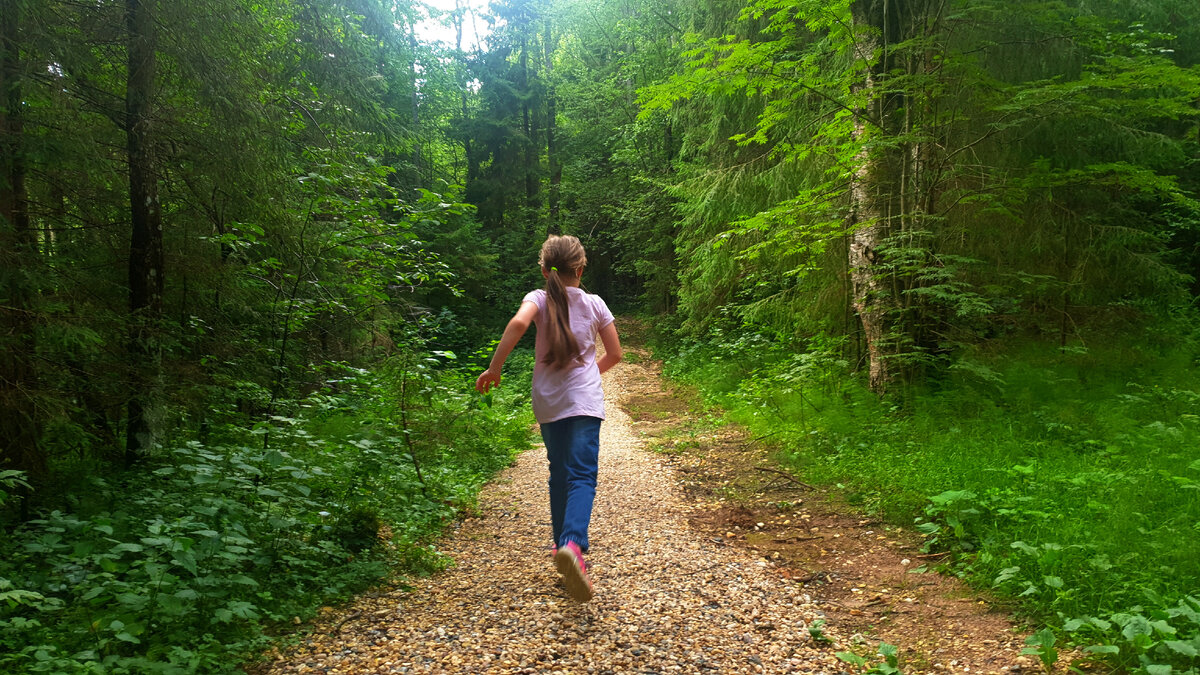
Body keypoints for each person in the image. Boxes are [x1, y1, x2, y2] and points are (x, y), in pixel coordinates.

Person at [475, 235, 622, 602]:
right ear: (581, 269)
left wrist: (495, 369)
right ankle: (572, 546)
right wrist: (588, 377)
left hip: (548, 403)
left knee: (559, 473)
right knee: (582, 475)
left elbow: (517, 324)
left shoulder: (537, 298)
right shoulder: (595, 302)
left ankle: (562, 549)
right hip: (583, 403)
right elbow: (615, 354)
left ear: (544, 270)